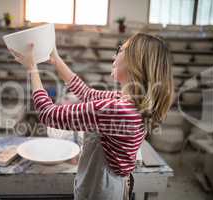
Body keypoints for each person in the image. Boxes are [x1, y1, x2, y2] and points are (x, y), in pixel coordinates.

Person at [10, 32, 174, 200]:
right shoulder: (127, 102)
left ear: (135, 61)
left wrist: (32, 69)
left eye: (120, 50)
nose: (114, 55)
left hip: (100, 189)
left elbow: (48, 114)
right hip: (108, 183)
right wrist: (56, 60)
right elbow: (86, 93)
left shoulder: (118, 110)